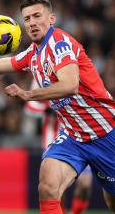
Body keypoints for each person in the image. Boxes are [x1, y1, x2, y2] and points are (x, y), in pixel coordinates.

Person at [0, 0, 115, 213]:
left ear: (51, 19)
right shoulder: (34, 53)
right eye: (27, 18)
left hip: (105, 134)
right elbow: (5, 64)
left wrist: (29, 94)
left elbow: (70, 85)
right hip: (73, 137)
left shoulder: (60, 43)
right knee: (48, 186)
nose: (31, 22)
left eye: (36, 16)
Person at [25, 81, 92, 214]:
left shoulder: (78, 71)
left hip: (79, 137)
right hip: (54, 139)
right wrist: (46, 109)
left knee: (85, 184)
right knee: (57, 189)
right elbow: (30, 106)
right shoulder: (40, 73)